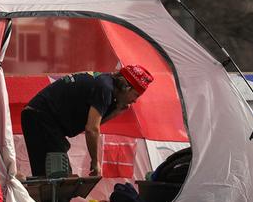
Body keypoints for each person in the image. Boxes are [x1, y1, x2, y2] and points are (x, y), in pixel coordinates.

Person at [21, 64, 154, 178]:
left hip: (41, 117)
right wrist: (95, 161)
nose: (135, 101)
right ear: (126, 87)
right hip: (40, 116)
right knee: (56, 173)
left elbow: (92, 123)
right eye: (136, 95)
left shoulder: (105, 84)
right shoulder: (105, 88)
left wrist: (116, 111)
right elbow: (92, 129)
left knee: (56, 172)